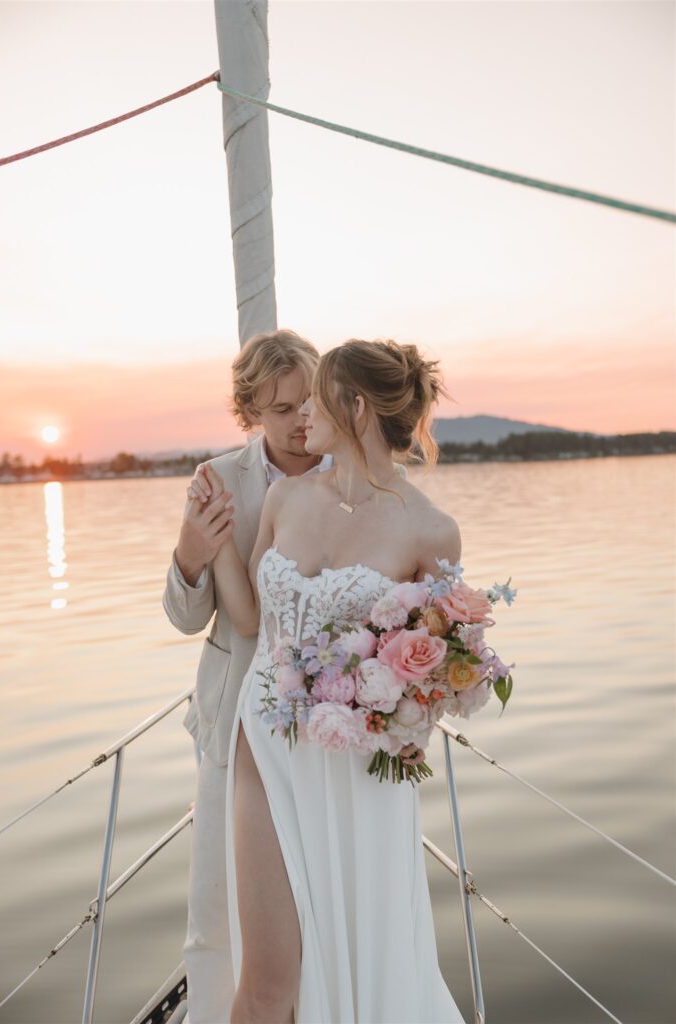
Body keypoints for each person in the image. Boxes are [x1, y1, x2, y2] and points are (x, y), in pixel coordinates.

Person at [213, 338, 466, 1024]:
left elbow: (449, 660)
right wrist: (205, 547)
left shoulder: (430, 529)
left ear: (353, 408)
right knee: (266, 981)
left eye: (315, 397)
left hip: (357, 763)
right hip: (264, 741)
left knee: (364, 966)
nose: (301, 418)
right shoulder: (286, 498)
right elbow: (251, 622)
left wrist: (415, 716)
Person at [162, 329, 333, 1024]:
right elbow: (184, 617)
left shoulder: (346, 474)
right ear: (250, 412)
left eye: (309, 404)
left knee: (318, 901)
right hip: (232, 720)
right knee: (217, 905)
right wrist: (189, 555)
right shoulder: (216, 480)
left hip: (328, 724)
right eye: (281, 407)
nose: (299, 422)